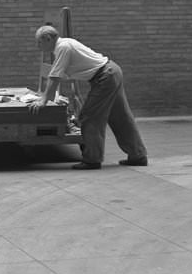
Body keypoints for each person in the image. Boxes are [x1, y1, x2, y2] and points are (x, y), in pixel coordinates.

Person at [29, 25, 148, 170]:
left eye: (39, 42)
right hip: (111, 72)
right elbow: (60, 75)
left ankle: (92, 159)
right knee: (120, 117)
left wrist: (43, 100)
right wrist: (52, 96)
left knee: (89, 117)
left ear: (48, 39)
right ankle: (138, 155)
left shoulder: (63, 47)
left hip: (105, 77)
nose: (37, 46)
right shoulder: (66, 45)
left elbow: (54, 77)